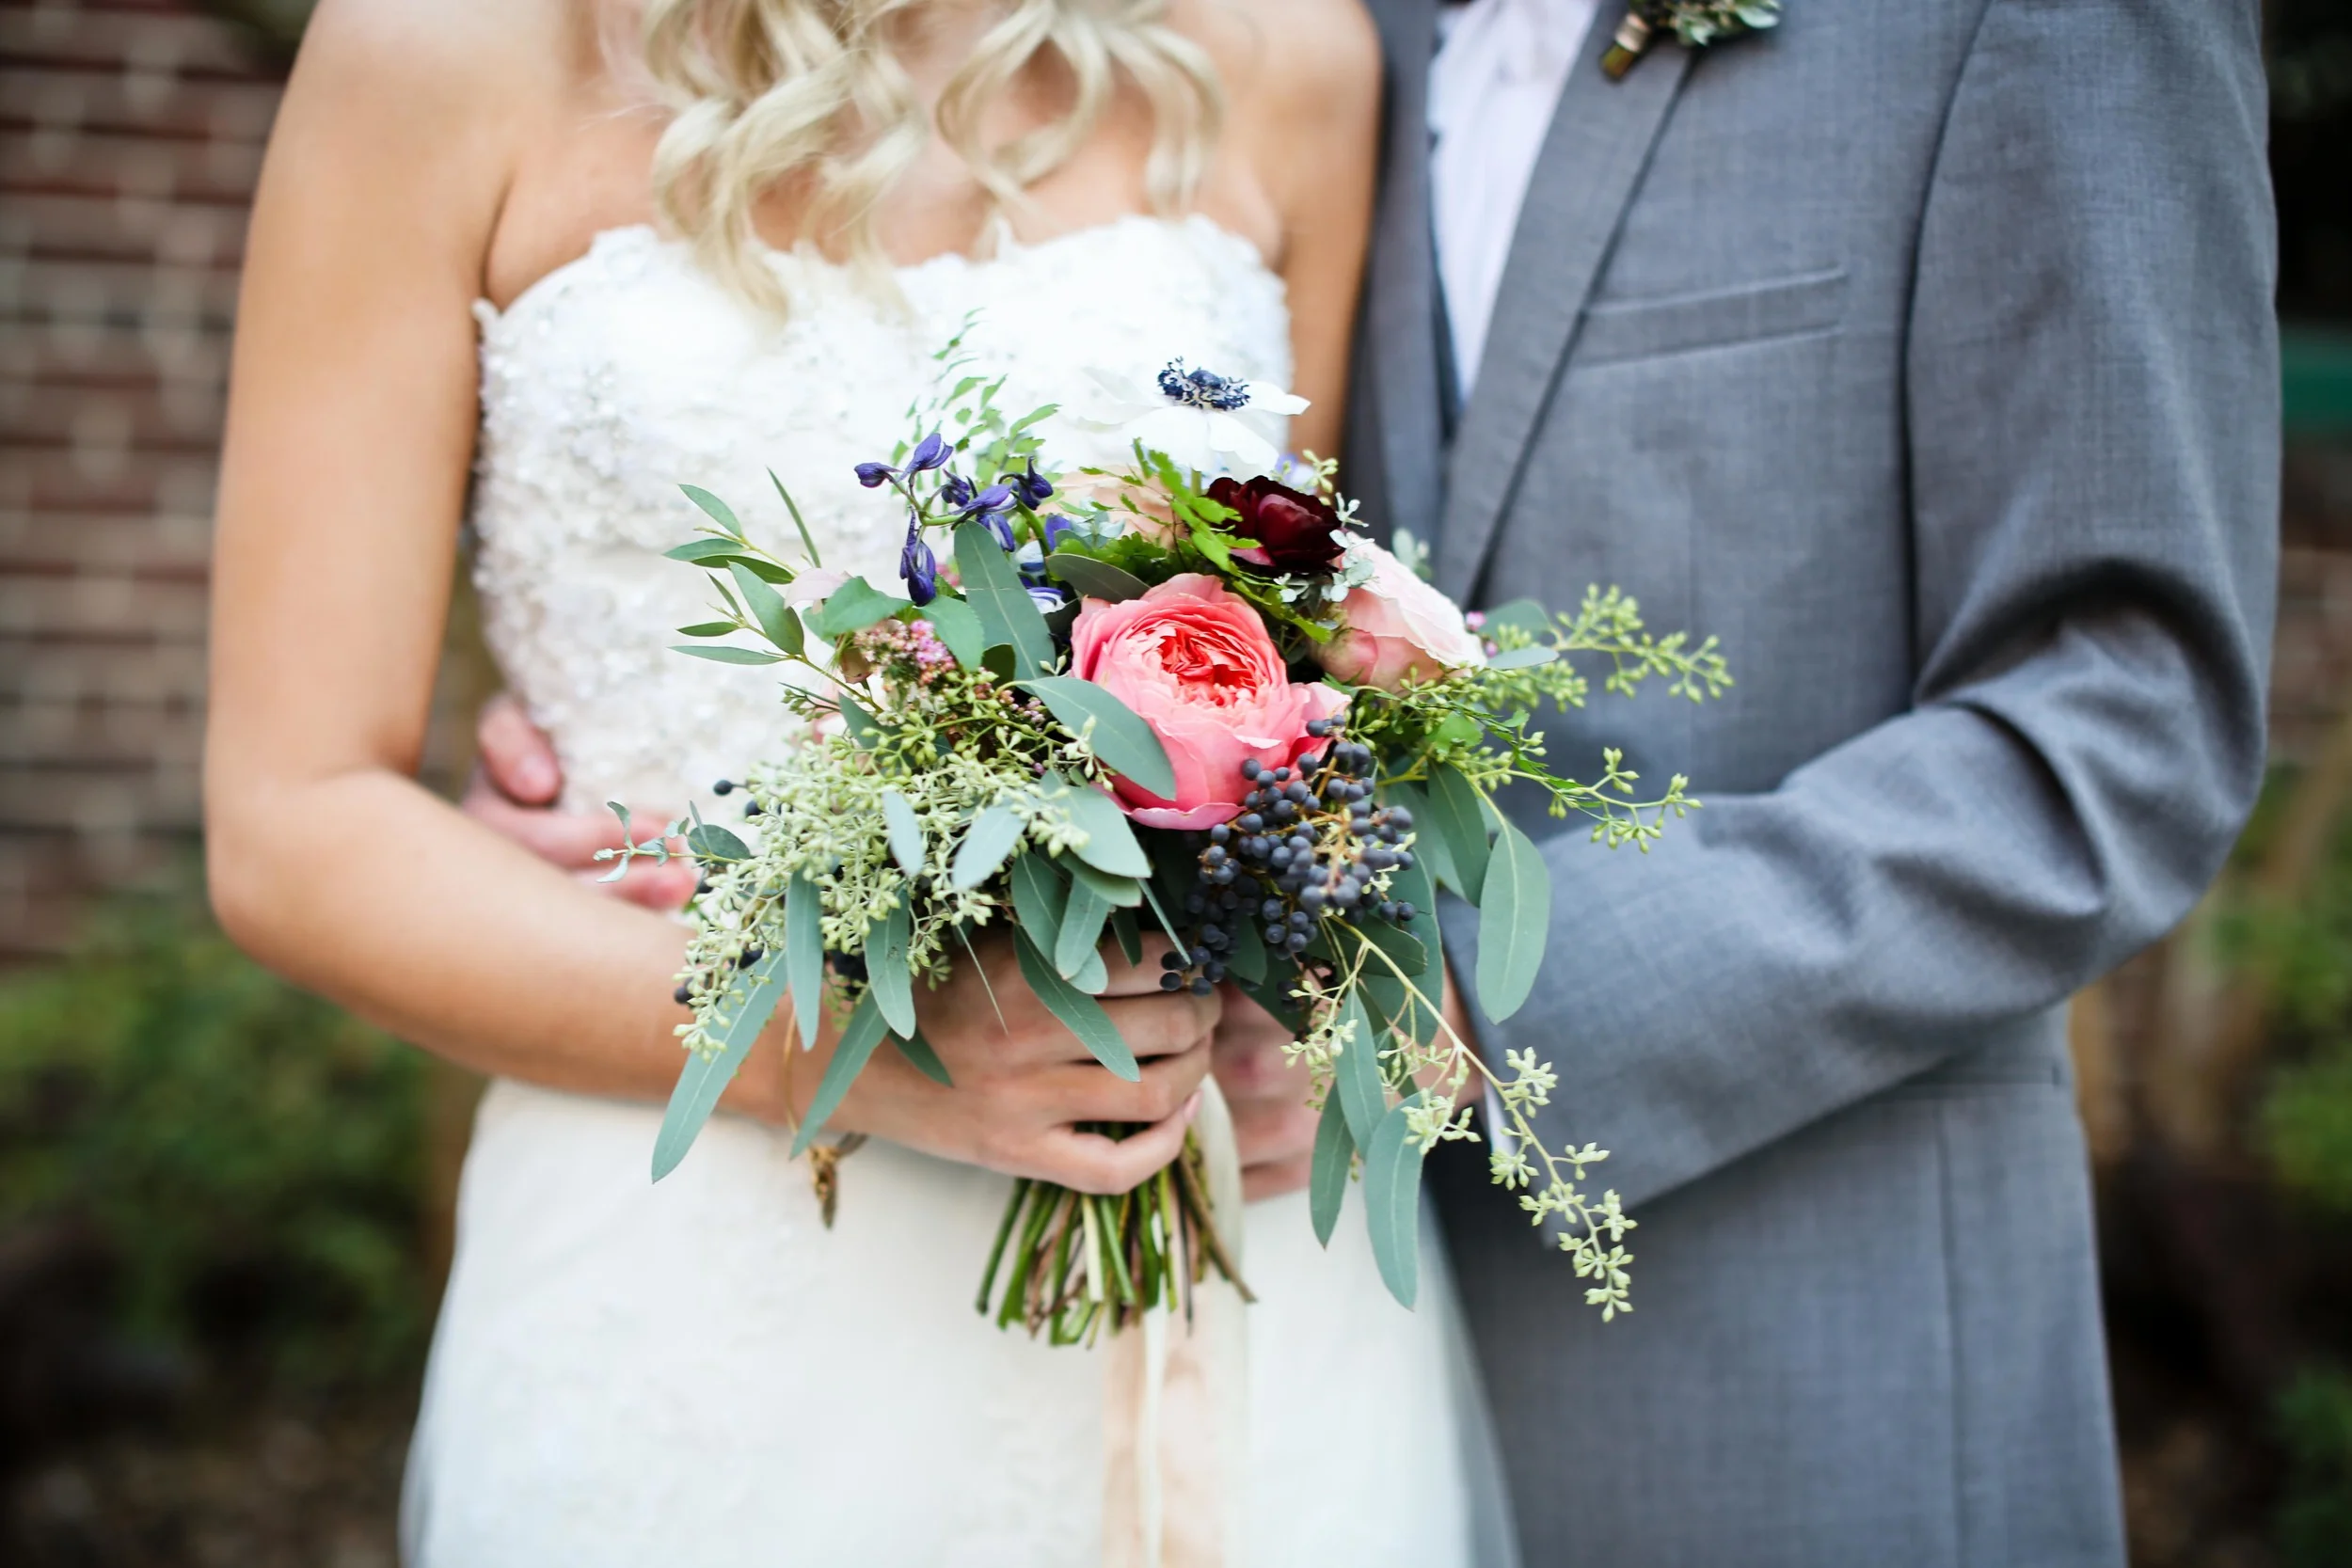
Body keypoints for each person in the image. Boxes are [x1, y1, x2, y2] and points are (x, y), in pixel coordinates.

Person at [478, 0, 2282, 1563]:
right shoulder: (1345, 31)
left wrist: (1444, 1002)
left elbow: (2124, 723)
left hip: (1775, 1360)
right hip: (1193, 1322)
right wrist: (681, 806)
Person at [204, 1, 1515, 1563]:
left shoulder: (1287, 53)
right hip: (692, 1250)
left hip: (1219, 1234)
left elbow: (1299, 655)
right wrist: (843, 1047)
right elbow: (293, 827)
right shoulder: (441, 50)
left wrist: (1324, 972)